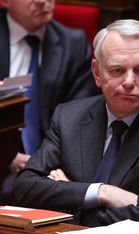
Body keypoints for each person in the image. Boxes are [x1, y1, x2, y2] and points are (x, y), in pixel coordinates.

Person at [12, 19, 139, 227]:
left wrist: (67, 196)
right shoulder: (68, 117)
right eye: (117, 70)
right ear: (97, 73)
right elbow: (24, 188)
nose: (129, 82)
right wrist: (101, 192)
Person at [0, 0, 99, 204]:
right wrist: (6, 156)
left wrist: (44, 164)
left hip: (50, 167)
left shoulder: (73, 44)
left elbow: (78, 118)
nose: (42, 1)